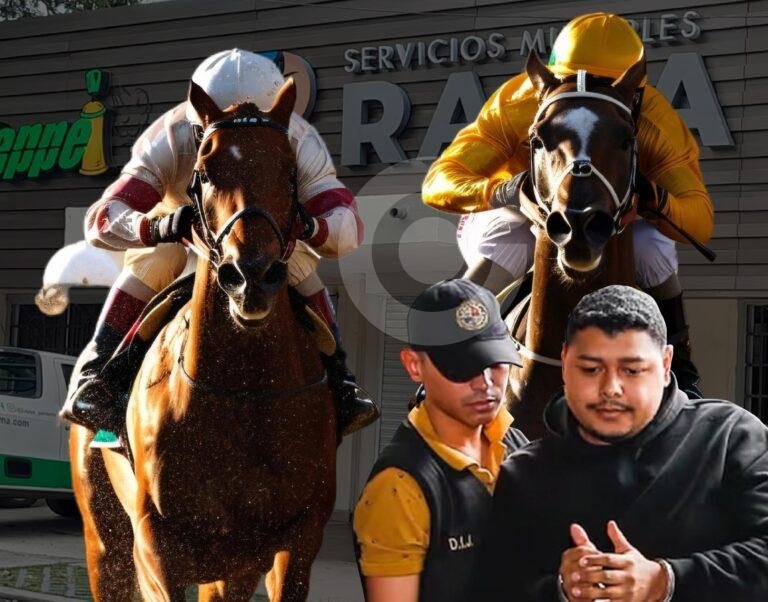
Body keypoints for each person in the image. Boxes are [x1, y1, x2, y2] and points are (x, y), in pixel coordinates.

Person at [60, 48, 378, 437]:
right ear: (200, 121)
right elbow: (102, 219)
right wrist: (156, 228)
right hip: (183, 232)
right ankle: (96, 374)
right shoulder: (170, 136)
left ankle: (342, 381)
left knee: (299, 265)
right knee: (155, 260)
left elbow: (349, 229)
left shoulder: (300, 139)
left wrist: (310, 228)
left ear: (277, 118)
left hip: (266, 238)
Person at [422, 12, 712, 397]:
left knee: (650, 246)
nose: (587, 93)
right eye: (571, 82)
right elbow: (439, 181)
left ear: (632, 89)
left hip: (616, 210)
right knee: (509, 244)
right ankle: (443, 365)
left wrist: (652, 197)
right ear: (556, 77)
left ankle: (683, 373)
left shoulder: (655, 118)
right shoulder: (516, 102)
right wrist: (508, 192)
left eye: (606, 86)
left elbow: (700, 218)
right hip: (523, 206)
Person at [474, 285, 768, 601]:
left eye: (632, 370)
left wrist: (664, 580)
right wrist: (561, 589)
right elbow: (490, 587)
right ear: (564, 362)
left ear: (666, 365)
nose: (611, 388)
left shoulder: (730, 438)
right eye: (591, 369)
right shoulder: (523, 474)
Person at [353, 279, 529, 602]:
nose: (486, 383)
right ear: (414, 365)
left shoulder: (516, 444)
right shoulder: (400, 489)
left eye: (495, 361)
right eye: (463, 368)